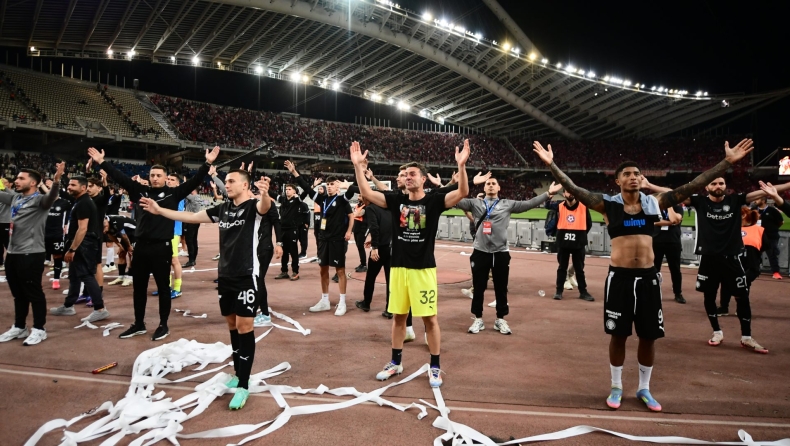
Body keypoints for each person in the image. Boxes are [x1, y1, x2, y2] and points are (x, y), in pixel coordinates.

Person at [533, 137, 755, 412]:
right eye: (627, 174)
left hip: (649, 278)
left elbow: (693, 185)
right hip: (620, 279)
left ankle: (644, 388)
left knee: (649, 336)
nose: (634, 177)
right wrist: (552, 165)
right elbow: (574, 188)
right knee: (618, 335)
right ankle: (616, 386)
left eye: (637, 173)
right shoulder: (608, 205)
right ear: (618, 181)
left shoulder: (654, 203)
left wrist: (726, 163)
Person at [139, 169, 272, 410]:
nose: (226, 185)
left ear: (245, 185)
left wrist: (264, 194)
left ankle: (243, 385)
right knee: (232, 325)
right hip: (225, 275)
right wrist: (159, 211)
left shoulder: (253, 207)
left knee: (245, 326)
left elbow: (265, 207)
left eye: (231, 181)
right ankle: (238, 373)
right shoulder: (223, 209)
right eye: (226, 181)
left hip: (246, 275)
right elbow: (191, 217)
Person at [351, 139, 471, 388]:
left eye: (413, 174)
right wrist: (357, 167)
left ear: (423, 179)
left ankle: (435, 366)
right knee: (398, 317)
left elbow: (462, 192)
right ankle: (395, 362)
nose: (407, 177)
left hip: (423, 269)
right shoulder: (396, 200)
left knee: (430, 319)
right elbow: (368, 194)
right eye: (405, 174)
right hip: (398, 268)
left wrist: (461, 166)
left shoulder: (434, 201)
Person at [643, 175, 789, 352]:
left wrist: (786, 185)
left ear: (726, 185)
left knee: (742, 297)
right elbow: (674, 193)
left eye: (721, 183)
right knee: (709, 297)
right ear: (707, 187)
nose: (718, 186)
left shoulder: (735, 200)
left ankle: (747, 337)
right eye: (714, 183)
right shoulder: (699, 201)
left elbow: (764, 191)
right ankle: (717, 332)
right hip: (708, 258)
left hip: (732, 258)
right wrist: (650, 185)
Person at [87, 146, 217, 341]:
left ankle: (163, 325)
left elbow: (195, 180)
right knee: (138, 288)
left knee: (164, 288)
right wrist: (102, 162)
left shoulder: (174, 194)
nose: (155, 178)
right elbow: (120, 177)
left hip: (162, 248)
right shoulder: (140, 191)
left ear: (165, 178)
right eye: (152, 175)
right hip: (141, 247)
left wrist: (207, 163)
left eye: (158, 175)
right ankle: (139, 323)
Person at [458, 177, 561, 335]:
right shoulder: (474, 203)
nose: (490, 186)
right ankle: (478, 318)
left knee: (501, 288)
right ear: (484, 188)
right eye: (488, 184)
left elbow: (528, 204)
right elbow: (454, 199)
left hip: (501, 252)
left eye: (493, 183)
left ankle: (500, 319)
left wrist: (547, 194)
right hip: (480, 252)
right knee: (478, 288)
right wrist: (448, 185)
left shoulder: (507, 204)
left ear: (499, 188)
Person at [0, 162, 65, 346]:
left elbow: (52, 196)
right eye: (17, 178)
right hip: (12, 253)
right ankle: (19, 326)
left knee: (33, 293)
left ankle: (39, 329)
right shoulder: (15, 198)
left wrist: (57, 180)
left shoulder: (40, 201)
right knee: (18, 293)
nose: (16, 181)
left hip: (31, 253)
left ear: (34, 183)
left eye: (21, 178)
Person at [293, 169, 353, 316]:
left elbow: (353, 195)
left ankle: (342, 302)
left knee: (340, 271)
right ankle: (325, 300)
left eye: (332, 184)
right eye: (328, 184)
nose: (329, 186)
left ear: (337, 187)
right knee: (323, 270)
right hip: (323, 239)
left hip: (337, 240)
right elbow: (307, 189)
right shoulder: (322, 199)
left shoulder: (342, 200)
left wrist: (348, 231)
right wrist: (295, 173)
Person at [50, 176, 110, 323]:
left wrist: (72, 249)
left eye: (73, 185)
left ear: (83, 188)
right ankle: (68, 305)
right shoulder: (80, 201)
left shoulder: (84, 203)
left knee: (87, 275)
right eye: (69, 184)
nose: (69, 187)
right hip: (81, 244)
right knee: (74, 275)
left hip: (84, 245)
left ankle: (100, 309)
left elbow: (83, 229)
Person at [544, 188, 594, 301]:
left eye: (572, 191)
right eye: (567, 191)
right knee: (562, 268)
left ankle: (583, 292)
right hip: (563, 243)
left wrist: (580, 235)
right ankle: (559, 291)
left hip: (578, 243)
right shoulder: (559, 206)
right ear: (564, 194)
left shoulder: (583, 206)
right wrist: (549, 196)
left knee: (579, 269)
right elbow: (547, 205)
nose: (570, 193)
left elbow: (588, 224)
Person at [272, 161, 310, 281]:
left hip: (292, 230)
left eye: (289, 189)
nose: (287, 191)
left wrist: (294, 172)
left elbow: (306, 191)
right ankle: (284, 271)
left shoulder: (298, 200)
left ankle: (295, 272)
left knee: (293, 252)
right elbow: (273, 194)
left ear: (294, 191)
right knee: (283, 251)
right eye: (286, 189)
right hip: (282, 229)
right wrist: (265, 187)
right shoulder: (283, 200)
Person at [651, 203, 685, 303]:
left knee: (675, 269)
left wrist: (670, 207)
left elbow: (676, 219)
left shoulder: (677, 207)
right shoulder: (655, 207)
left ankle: (678, 293)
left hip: (673, 241)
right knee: (654, 269)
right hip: (656, 241)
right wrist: (671, 223)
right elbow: (654, 222)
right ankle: (653, 292)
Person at [42, 179, 72, 291]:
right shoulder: (44, 201)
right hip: (43, 234)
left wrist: (67, 225)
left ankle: (56, 279)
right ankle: (36, 280)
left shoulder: (65, 202)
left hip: (58, 234)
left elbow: (72, 200)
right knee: (39, 257)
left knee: (57, 257)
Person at [752, 195, 784, 279]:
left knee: (772, 254)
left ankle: (776, 272)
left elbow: (781, 222)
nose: (755, 201)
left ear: (763, 200)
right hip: (756, 236)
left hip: (770, 236)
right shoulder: (753, 210)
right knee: (754, 254)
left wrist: (772, 229)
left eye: (757, 199)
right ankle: (754, 271)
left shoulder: (772, 210)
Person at [105, 215, 136, 287]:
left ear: (107, 221)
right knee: (121, 254)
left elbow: (124, 235)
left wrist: (129, 246)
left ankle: (130, 277)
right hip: (125, 234)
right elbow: (110, 235)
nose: (104, 230)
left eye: (105, 227)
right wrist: (119, 245)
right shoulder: (104, 223)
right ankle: (121, 277)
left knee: (131, 254)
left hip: (134, 233)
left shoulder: (116, 222)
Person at [182, 188, 207, 268]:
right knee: (194, 239)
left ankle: (191, 260)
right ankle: (193, 256)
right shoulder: (199, 197)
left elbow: (184, 192)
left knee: (189, 240)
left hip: (190, 221)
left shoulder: (193, 197)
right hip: (196, 220)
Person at [351, 198, 368, 272]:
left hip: (362, 229)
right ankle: (362, 263)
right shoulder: (358, 205)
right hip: (356, 229)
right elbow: (354, 214)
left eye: (360, 195)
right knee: (358, 246)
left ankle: (364, 265)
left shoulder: (366, 206)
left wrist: (354, 214)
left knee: (360, 246)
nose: (358, 197)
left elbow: (358, 214)